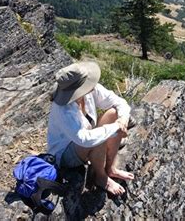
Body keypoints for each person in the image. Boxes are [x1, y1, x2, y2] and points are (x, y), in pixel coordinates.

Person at [47, 61, 134, 196]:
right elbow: (84, 139)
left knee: (113, 113)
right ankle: (100, 176)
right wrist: (116, 128)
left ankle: (110, 168)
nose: (92, 86)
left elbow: (119, 102)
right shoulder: (64, 110)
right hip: (65, 153)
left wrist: (122, 119)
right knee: (99, 138)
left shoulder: (90, 91)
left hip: (85, 138)